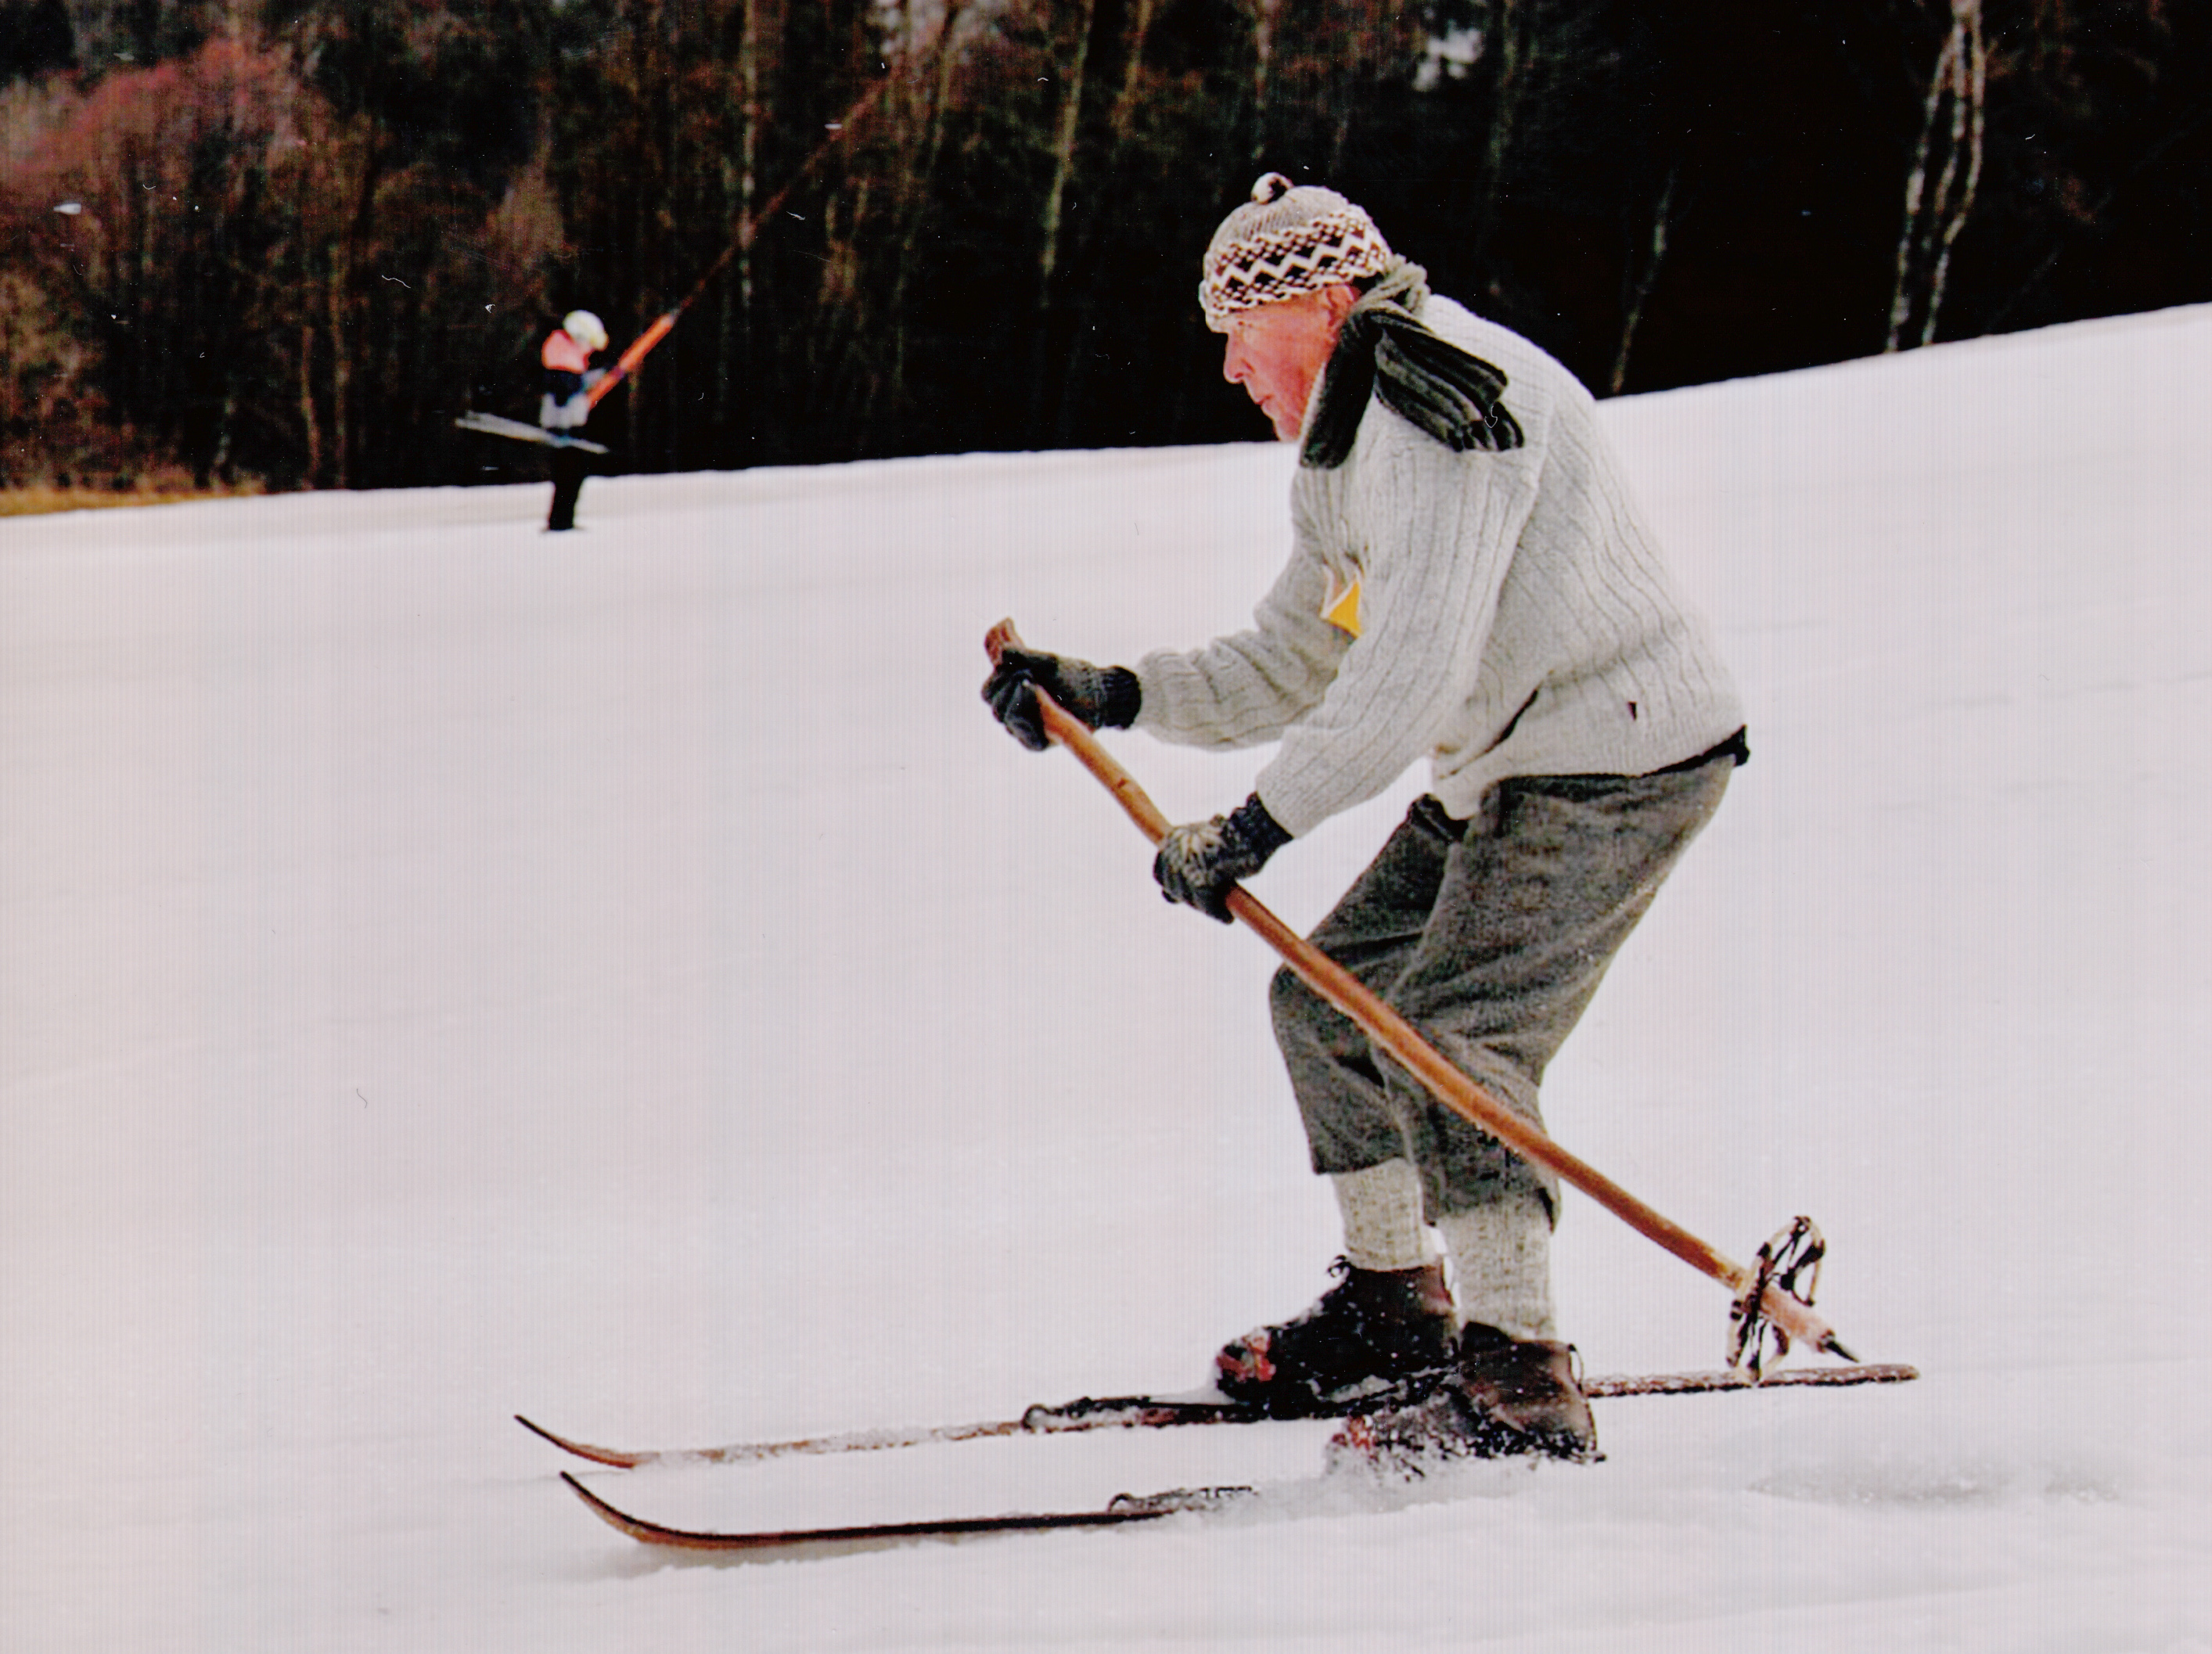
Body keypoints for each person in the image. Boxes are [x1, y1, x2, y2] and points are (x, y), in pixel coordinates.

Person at [982, 174, 1746, 1472]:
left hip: (1615, 754)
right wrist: (1113, 692)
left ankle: (1520, 1378)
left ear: (1324, 304)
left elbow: (1410, 674)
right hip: (1508, 762)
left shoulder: (1439, 409)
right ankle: (1395, 1306)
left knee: (1452, 1034)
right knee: (1329, 1007)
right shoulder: (1350, 441)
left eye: (1241, 332)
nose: (1229, 368)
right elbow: (1302, 653)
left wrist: (1254, 828)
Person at [540, 309, 609, 531]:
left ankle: (563, 521)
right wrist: (562, 429)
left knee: (572, 475)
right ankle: (561, 523)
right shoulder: (562, 353)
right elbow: (566, 388)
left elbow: (576, 382)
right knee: (569, 475)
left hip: (568, 425)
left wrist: (603, 375)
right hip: (564, 426)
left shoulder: (565, 352)